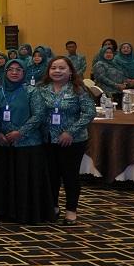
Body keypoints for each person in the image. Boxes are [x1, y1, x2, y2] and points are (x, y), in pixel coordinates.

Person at [0, 58, 52, 224]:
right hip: (4, 143)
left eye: (19, 70)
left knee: (25, 180)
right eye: (10, 69)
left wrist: (20, 132)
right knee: (6, 179)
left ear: (24, 73)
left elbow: (39, 115)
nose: (14, 72)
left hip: (28, 143)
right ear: (5, 72)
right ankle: (6, 212)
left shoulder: (32, 91)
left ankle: (27, 213)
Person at [39, 56, 95, 226]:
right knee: (51, 175)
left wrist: (70, 132)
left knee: (70, 175)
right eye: (53, 68)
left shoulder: (79, 89)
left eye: (62, 68)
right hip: (48, 139)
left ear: (70, 71)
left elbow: (89, 113)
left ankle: (71, 210)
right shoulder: (41, 89)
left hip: (73, 140)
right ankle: (53, 206)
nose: (57, 71)